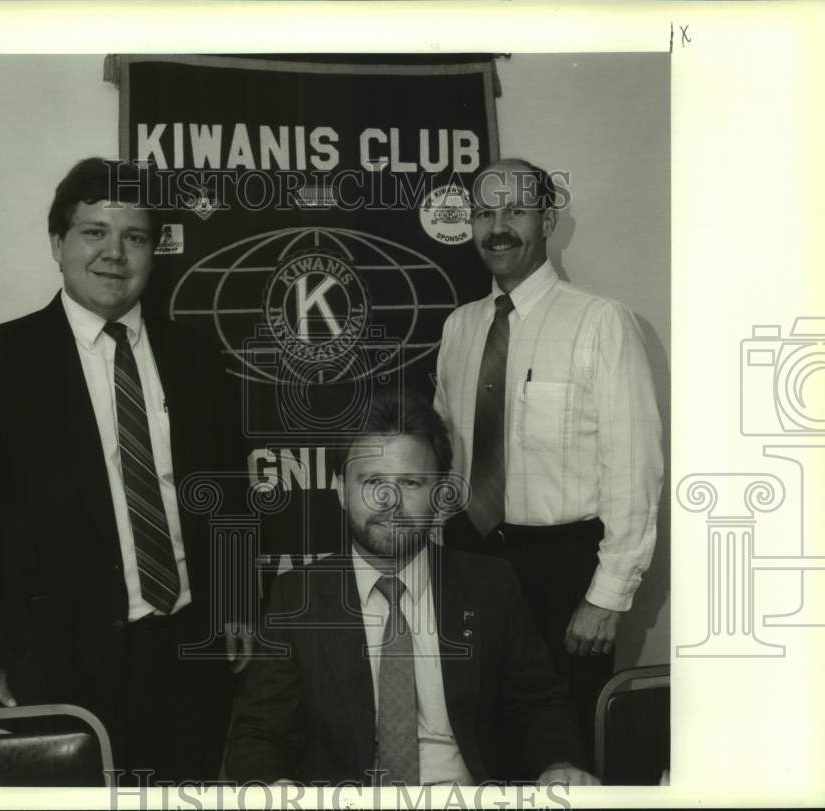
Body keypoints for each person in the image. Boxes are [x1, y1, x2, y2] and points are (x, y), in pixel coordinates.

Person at [0, 157, 253, 783]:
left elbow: (228, 490)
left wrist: (236, 598)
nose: (114, 254)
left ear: (154, 251)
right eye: (93, 232)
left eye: (134, 236)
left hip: (189, 646)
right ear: (58, 243)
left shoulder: (197, 359)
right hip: (56, 655)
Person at [226, 390, 595, 786]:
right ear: (340, 489)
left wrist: (559, 764)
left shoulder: (491, 586)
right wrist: (271, 783)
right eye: (372, 481)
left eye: (411, 482)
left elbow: (540, 705)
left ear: (440, 494)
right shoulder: (295, 598)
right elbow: (258, 735)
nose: (390, 501)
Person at [433, 158, 664, 755]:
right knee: (477, 736)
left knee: (560, 747)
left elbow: (634, 467)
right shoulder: (459, 328)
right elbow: (450, 457)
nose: (498, 227)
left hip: (561, 572)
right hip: (470, 558)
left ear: (549, 219)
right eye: (485, 213)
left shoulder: (600, 323)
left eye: (516, 210)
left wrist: (606, 596)